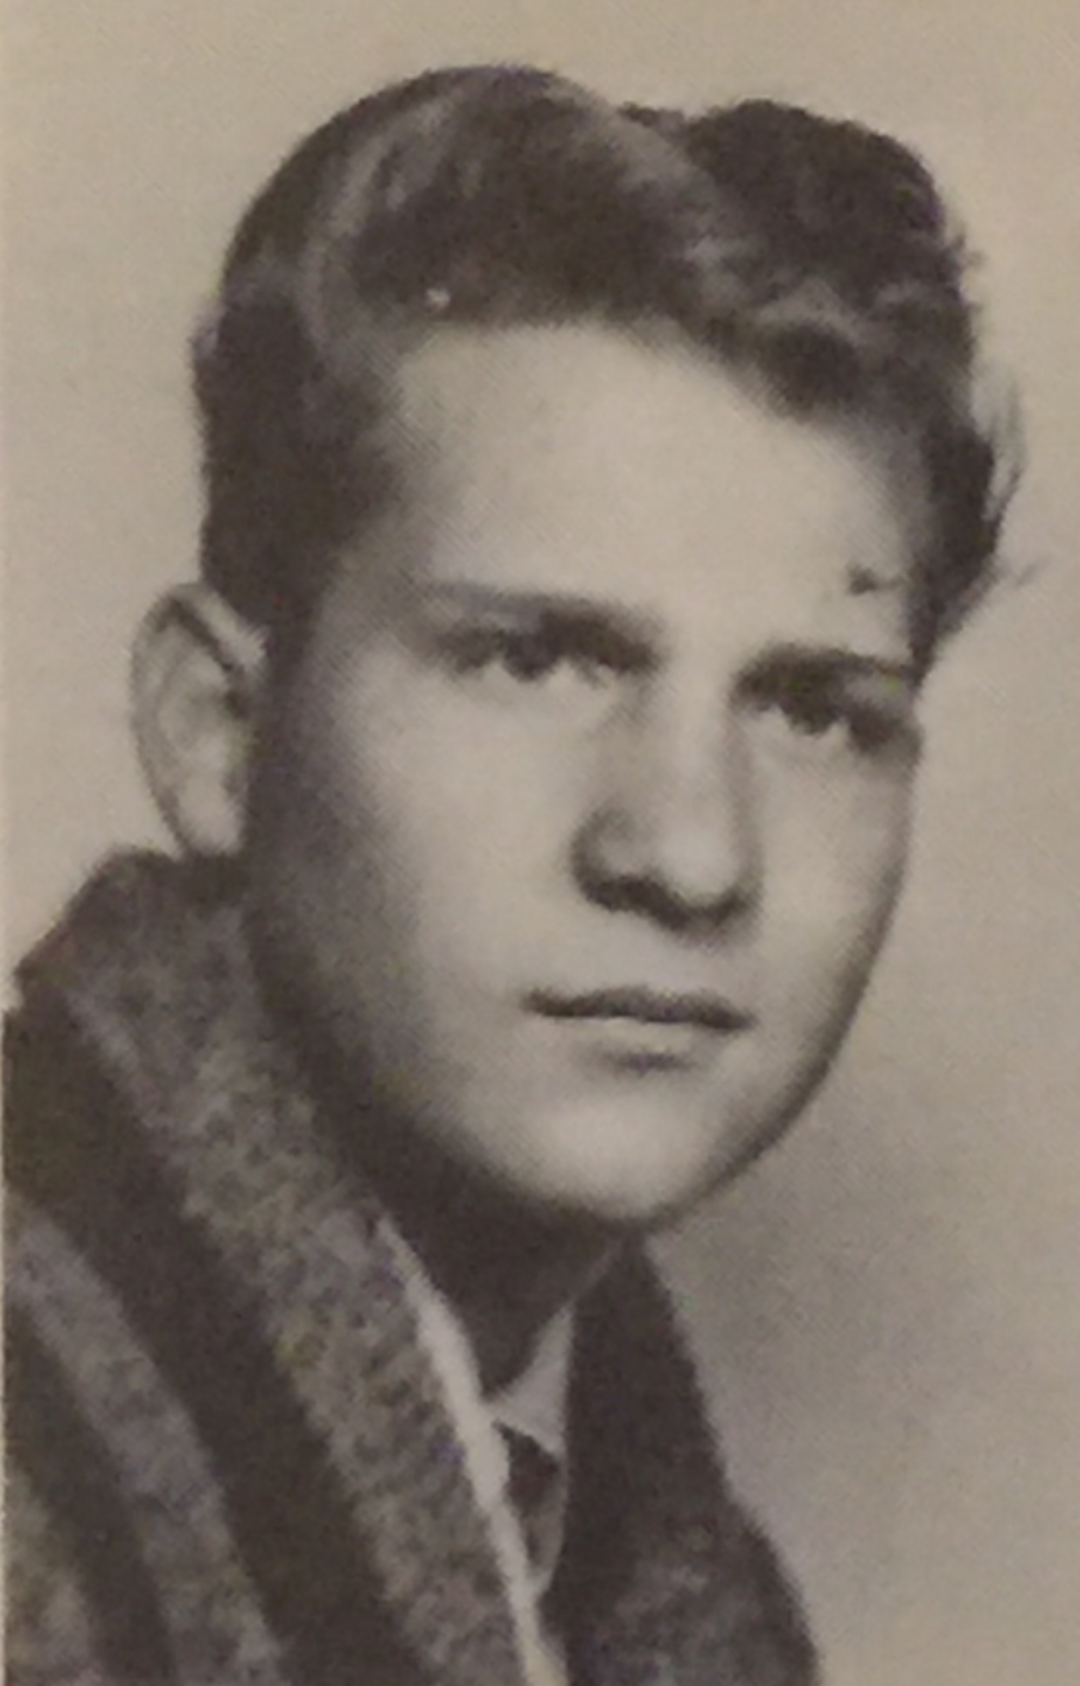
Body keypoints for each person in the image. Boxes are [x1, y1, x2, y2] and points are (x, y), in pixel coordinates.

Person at [5, 62, 1020, 1686]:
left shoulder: (639, 1539)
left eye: (814, 708)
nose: (690, 852)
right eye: (537, 660)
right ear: (217, 733)